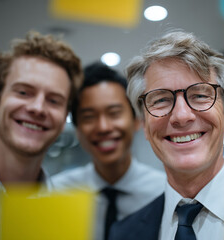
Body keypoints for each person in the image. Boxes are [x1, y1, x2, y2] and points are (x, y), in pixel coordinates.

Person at [0, 31, 83, 240]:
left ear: (65, 116)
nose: (38, 108)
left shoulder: (71, 217)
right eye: (23, 92)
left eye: (54, 100)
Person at [108, 30, 224, 240]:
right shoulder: (123, 234)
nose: (181, 116)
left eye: (199, 95)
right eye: (160, 100)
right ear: (144, 125)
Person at [51, 62, 166, 240]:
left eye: (114, 113)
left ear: (136, 121)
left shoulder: (163, 192)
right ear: (78, 129)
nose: (103, 127)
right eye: (89, 117)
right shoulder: (56, 194)